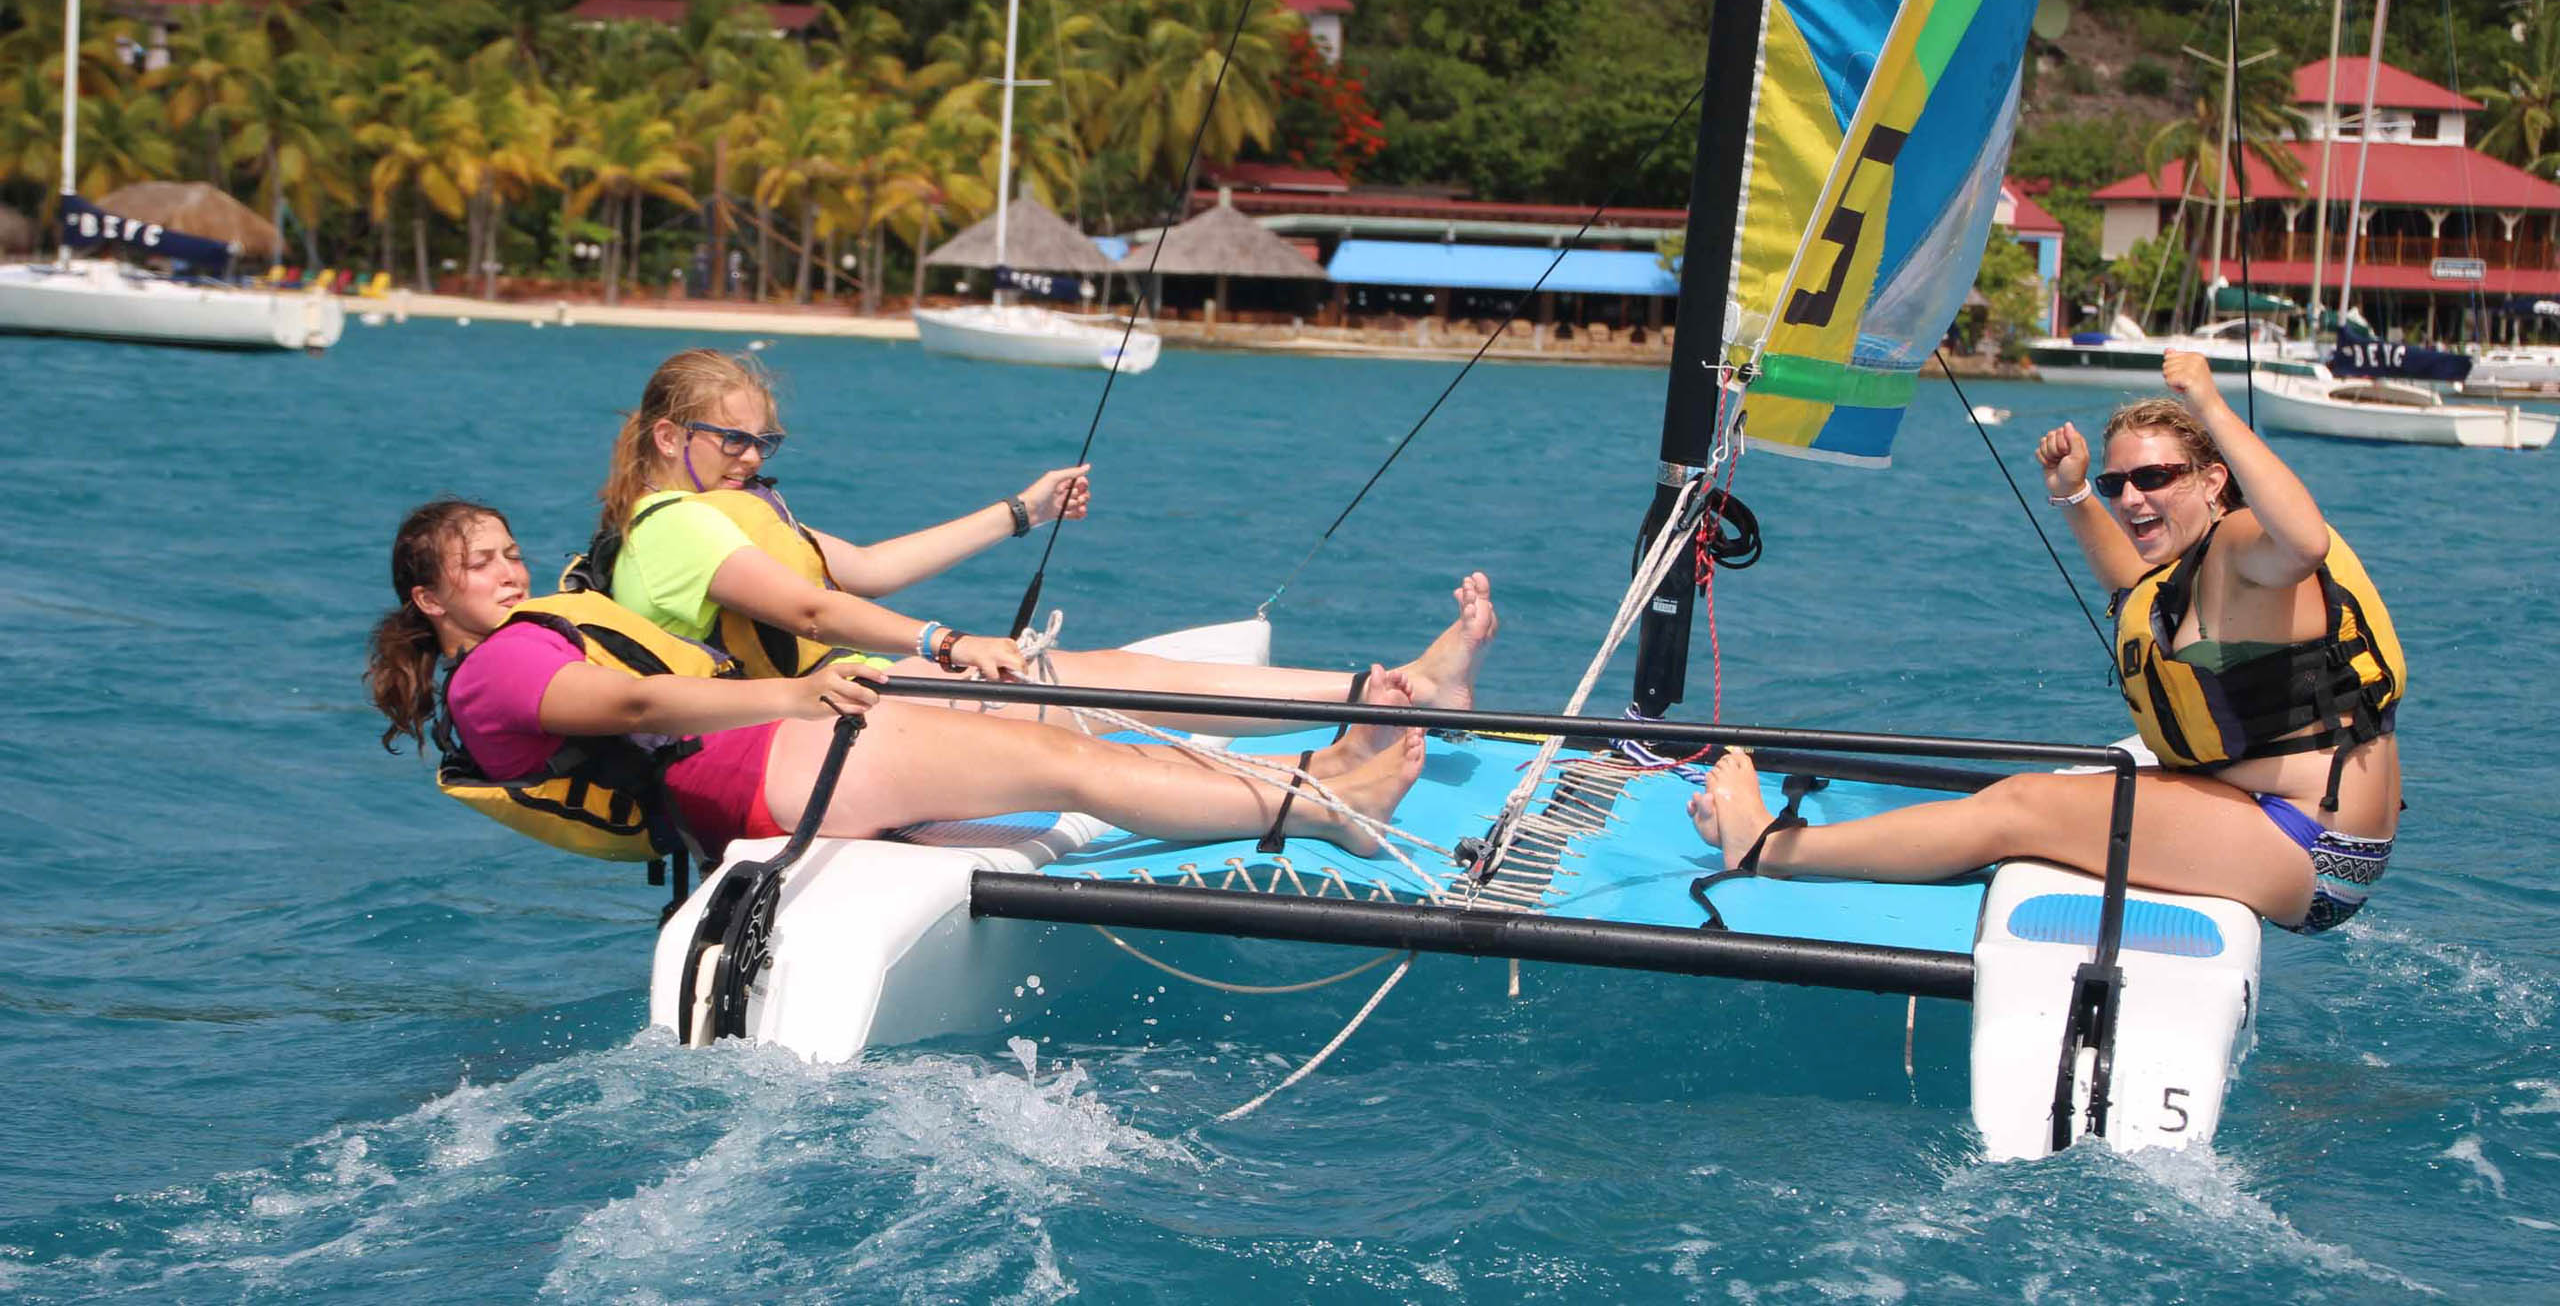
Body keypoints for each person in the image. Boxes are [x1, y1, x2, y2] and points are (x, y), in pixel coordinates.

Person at [1689, 350, 2403, 933]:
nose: (2132, 498)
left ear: (2215, 480)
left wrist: (2209, 405)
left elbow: (2304, 539)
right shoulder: (2195, 569)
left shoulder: (2246, 544)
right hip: (2281, 829)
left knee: (2020, 808)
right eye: (2118, 481)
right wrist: (2072, 492)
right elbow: (2134, 591)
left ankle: (1769, 848)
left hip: (2306, 845)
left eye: (2155, 478)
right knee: (2052, 794)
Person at [365, 499, 1429, 863]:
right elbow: (634, 704)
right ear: (429, 600)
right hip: (748, 772)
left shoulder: (519, 639)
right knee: (1059, 761)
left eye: (509, 553)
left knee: (1059, 740)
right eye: (476, 564)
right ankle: (1329, 811)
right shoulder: (495, 674)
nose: (506, 572)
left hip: (745, 764)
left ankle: (1314, 769)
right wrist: (792, 694)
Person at [588, 348, 1500, 738]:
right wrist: (948, 644)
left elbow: (862, 570)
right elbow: (816, 609)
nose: (753, 458)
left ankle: (1383, 694)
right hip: (797, 722)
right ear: (672, 438)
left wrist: (1022, 512)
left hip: (841, 697)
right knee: (1094, 687)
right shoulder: (673, 530)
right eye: (734, 441)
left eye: (764, 443)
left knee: (1100, 677)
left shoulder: (734, 514)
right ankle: (1392, 698)